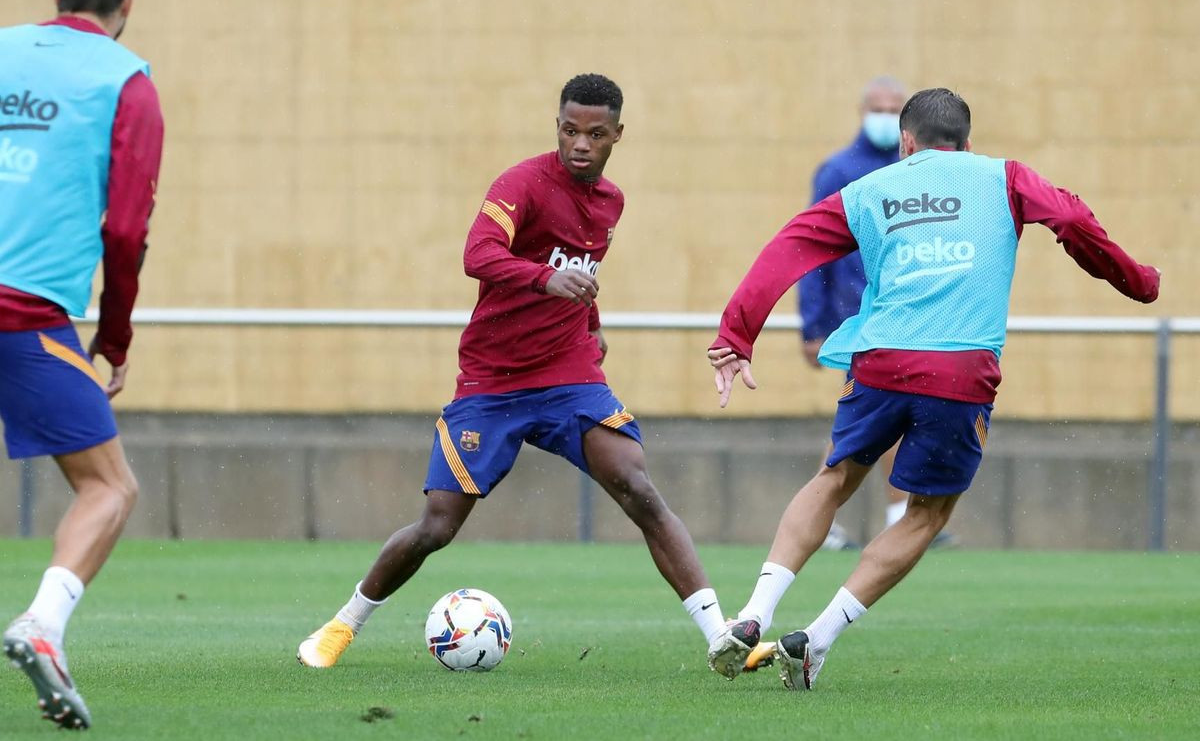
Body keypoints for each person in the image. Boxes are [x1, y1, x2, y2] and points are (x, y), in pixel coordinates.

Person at [704, 88, 1159, 688]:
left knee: (834, 477)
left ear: (907, 144)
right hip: (960, 371)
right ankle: (815, 639)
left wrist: (737, 334)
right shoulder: (1004, 177)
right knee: (926, 514)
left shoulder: (870, 189)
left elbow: (790, 247)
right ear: (968, 143)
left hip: (880, 361)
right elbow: (1072, 219)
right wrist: (1137, 282)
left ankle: (755, 612)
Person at [297, 74, 730, 671]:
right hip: (492, 380)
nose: (581, 143)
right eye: (570, 130)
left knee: (638, 487)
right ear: (557, 126)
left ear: (617, 137)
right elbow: (478, 254)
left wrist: (590, 317)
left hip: (567, 374)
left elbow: (579, 262)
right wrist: (545, 279)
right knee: (437, 527)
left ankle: (721, 637)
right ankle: (343, 625)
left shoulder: (612, 201)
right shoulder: (520, 184)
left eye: (596, 134)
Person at [0, 0, 164, 730]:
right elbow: (126, 230)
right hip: (23, 316)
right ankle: (42, 623)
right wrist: (116, 337)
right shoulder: (127, 82)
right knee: (109, 487)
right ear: (128, 2)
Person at [799, 76, 947, 550]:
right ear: (862, 110)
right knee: (863, 419)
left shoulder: (919, 171)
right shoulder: (839, 170)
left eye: (892, 108)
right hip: (859, 320)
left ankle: (884, 514)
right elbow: (812, 250)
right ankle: (846, 517)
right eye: (877, 107)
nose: (884, 116)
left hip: (910, 317)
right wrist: (814, 324)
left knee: (883, 419)